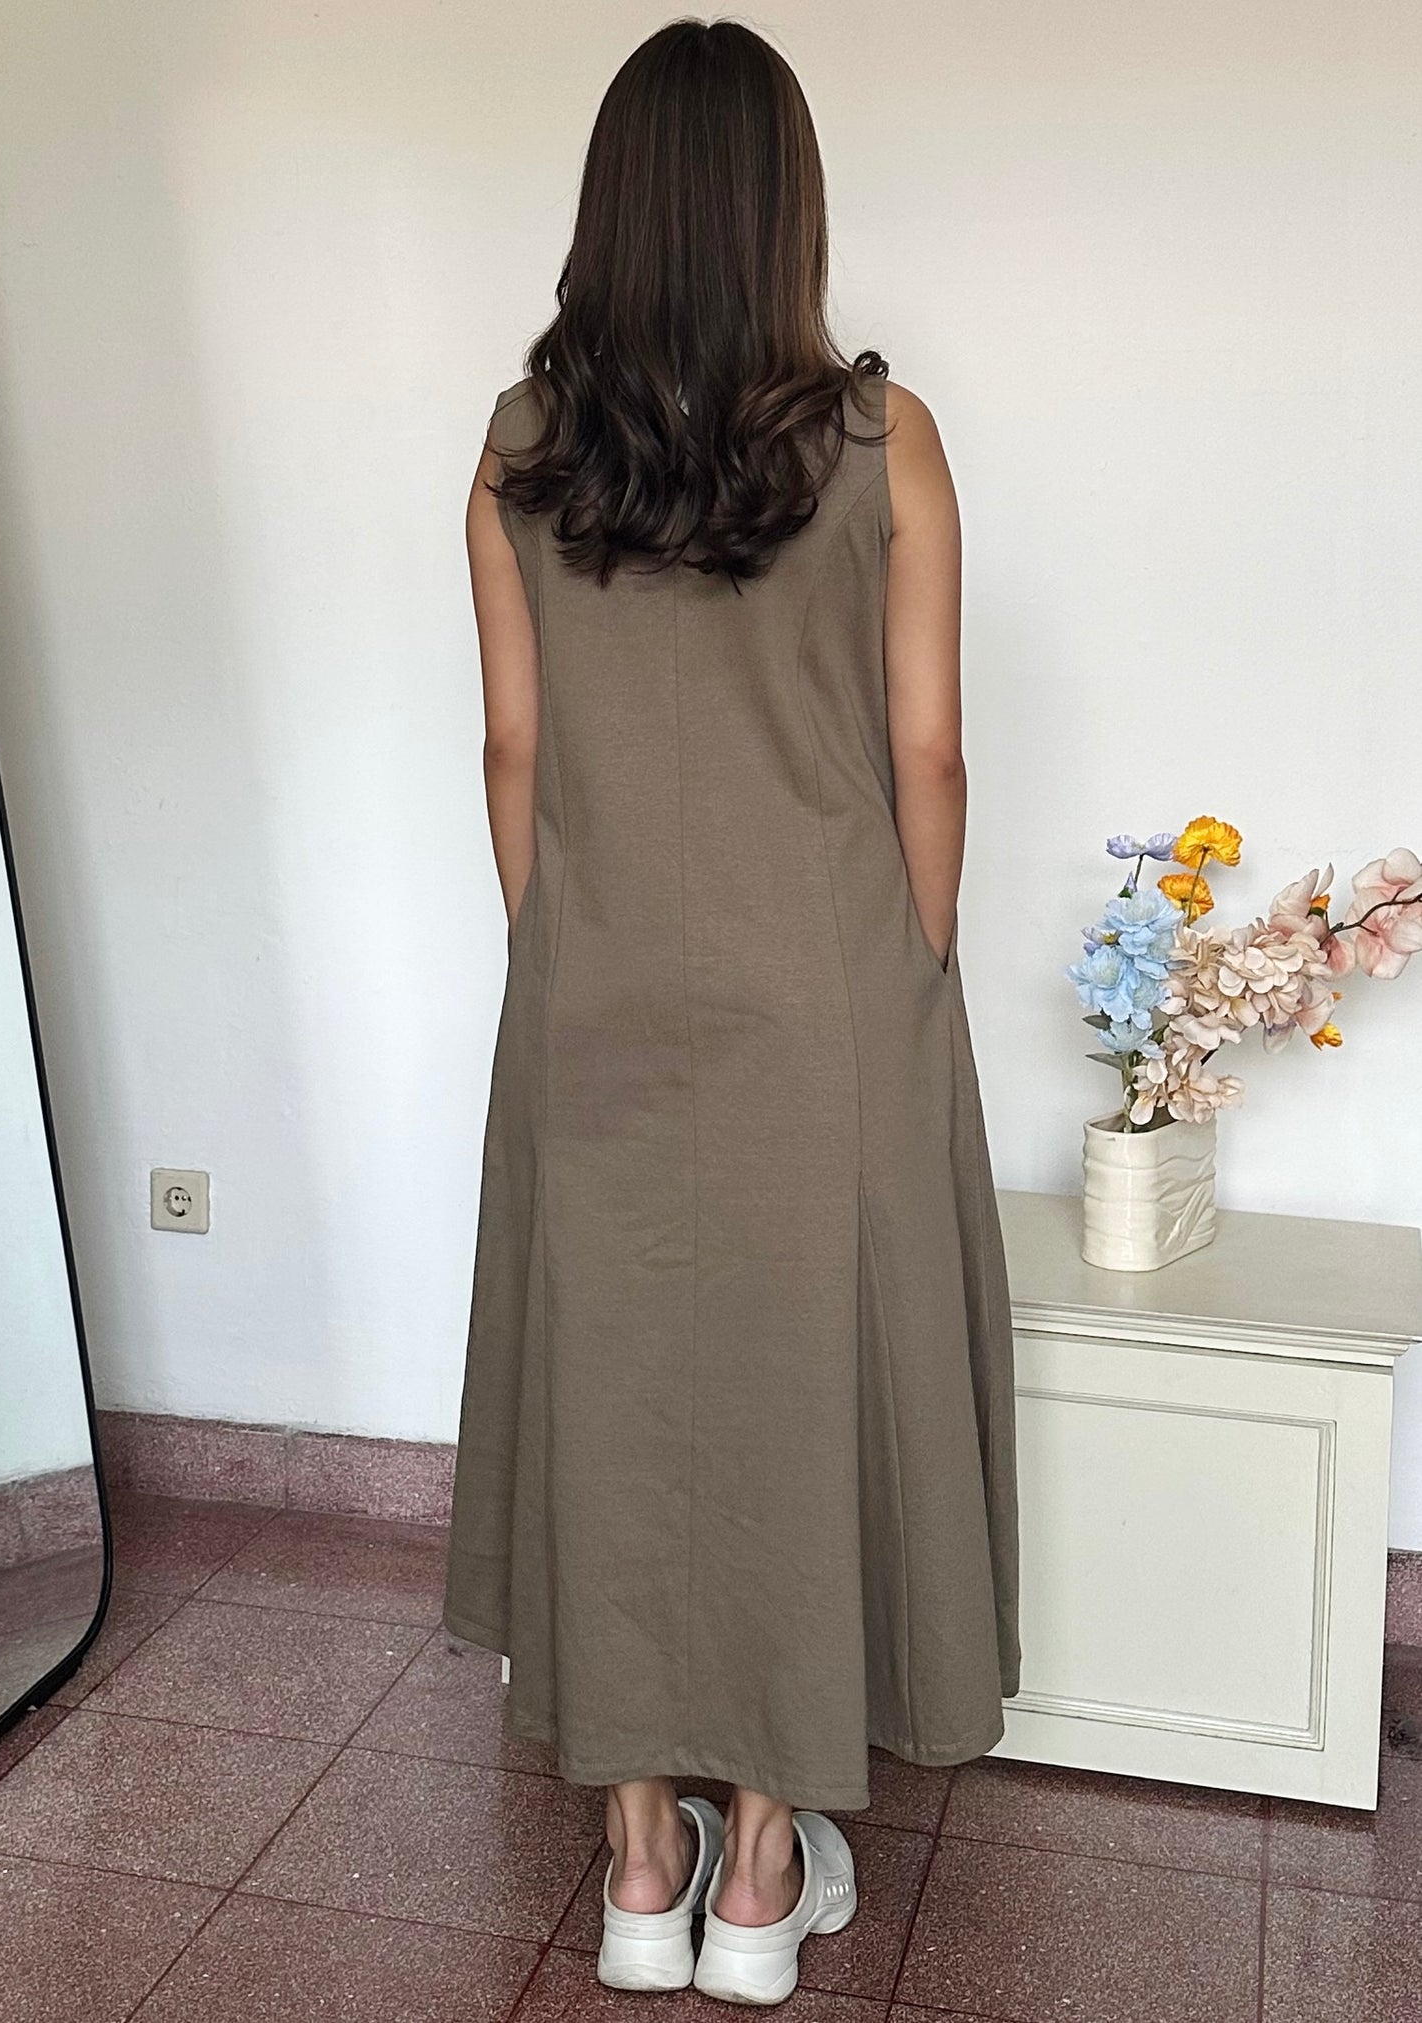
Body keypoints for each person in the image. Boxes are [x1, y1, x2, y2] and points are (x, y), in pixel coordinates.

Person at [443, 15, 1019, 2007]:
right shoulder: (881, 442)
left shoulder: (520, 449)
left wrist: (568, 945)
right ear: (790, 208)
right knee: (803, 1388)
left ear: (610, 207)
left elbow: (513, 746)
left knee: (613, 1386)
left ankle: (637, 1867)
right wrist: (908, 964)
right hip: (827, 989)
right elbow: (927, 752)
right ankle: (762, 1875)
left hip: (597, 984)